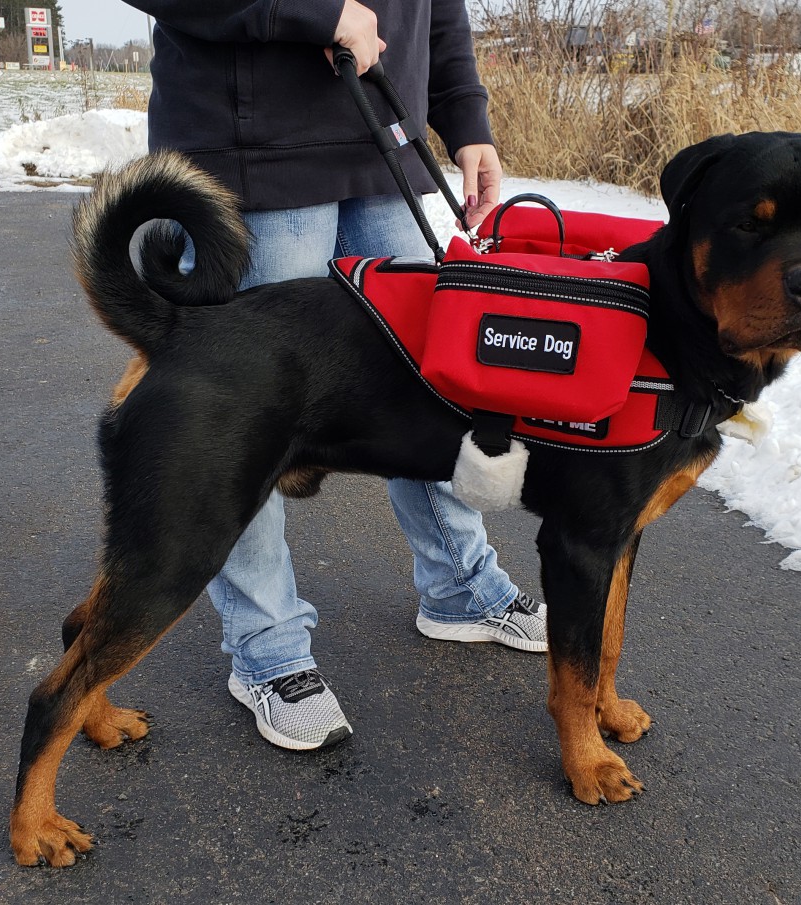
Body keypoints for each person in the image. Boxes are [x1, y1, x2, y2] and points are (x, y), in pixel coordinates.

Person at [123, 0, 547, 752]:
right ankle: (268, 649)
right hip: (255, 155)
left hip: (383, 146)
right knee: (248, 422)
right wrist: (315, 12)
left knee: (431, 392)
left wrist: (463, 115)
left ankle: (458, 586)